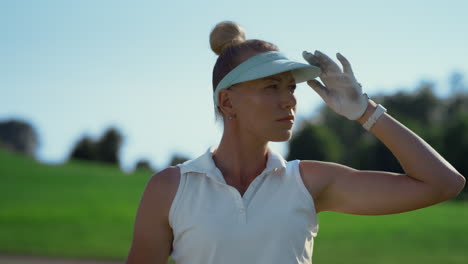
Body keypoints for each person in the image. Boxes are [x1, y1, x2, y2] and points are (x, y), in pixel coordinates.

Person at [126, 21, 466, 264]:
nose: (289, 101)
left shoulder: (308, 182)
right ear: (228, 103)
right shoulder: (170, 188)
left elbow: (443, 184)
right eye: (271, 87)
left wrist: (365, 111)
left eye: (290, 88)